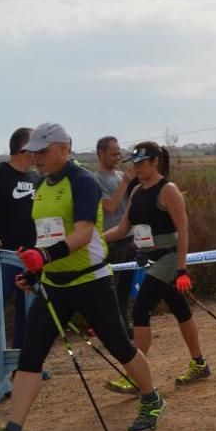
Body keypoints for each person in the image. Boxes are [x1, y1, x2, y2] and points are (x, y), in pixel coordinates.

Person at [0, 124, 165, 431]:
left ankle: (152, 399)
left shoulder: (82, 181)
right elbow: (45, 236)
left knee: (120, 345)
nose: (36, 158)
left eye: (42, 151)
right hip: (55, 285)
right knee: (31, 356)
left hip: (91, 281)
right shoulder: (42, 186)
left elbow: (84, 233)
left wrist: (44, 256)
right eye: (34, 152)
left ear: (62, 148)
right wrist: (35, 272)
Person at [102, 141, 210, 393]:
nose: (136, 167)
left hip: (169, 259)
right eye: (134, 163)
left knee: (140, 311)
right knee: (180, 309)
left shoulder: (168, 190)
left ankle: (137, 378)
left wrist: (181, 268)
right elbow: (121, 229)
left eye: (141, 163)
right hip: (151, 258)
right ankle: (199, 363)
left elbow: (183, 230)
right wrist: (94, 239)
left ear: (154, 162)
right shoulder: (138, 191)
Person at [0, 128, 40, 350]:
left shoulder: (37, 178)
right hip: (4, 259)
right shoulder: (0, 173)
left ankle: (25, 365)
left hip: (32, 257)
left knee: (30, 312)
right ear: (25, 148)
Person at [93, 135, 137, 335]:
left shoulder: (121, 175)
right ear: (101, 153)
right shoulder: (96, 180)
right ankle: (113, 328)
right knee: (111, 287)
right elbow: (109, 206)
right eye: (113, 154)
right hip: (111, 240)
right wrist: (125, 184)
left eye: (119, 153)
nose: (117, 157)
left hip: (131, 239)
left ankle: (125, 324)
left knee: (125, 288)